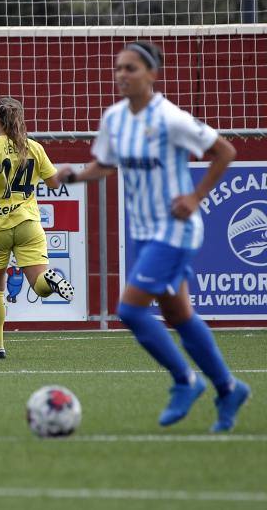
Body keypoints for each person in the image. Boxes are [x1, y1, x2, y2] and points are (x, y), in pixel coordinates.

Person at [56, 41, 250, 431]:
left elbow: (225, 151)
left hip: (175, 230)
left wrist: (196, 196)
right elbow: (105, 165)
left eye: (131, 68)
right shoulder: (114, 118)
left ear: (152, 74)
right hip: (144, 231)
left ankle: (185, 381)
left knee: (129, 310)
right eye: (118, 68)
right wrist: (76, 174)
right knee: (178, 314)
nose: (121, 75)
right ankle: (229, 388)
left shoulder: (171, 118)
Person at [0, 97, 74, 359]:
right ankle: (52, 279)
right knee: (38, 283)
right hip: (28, 223)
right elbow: (55, 182)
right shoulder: (33, 147)